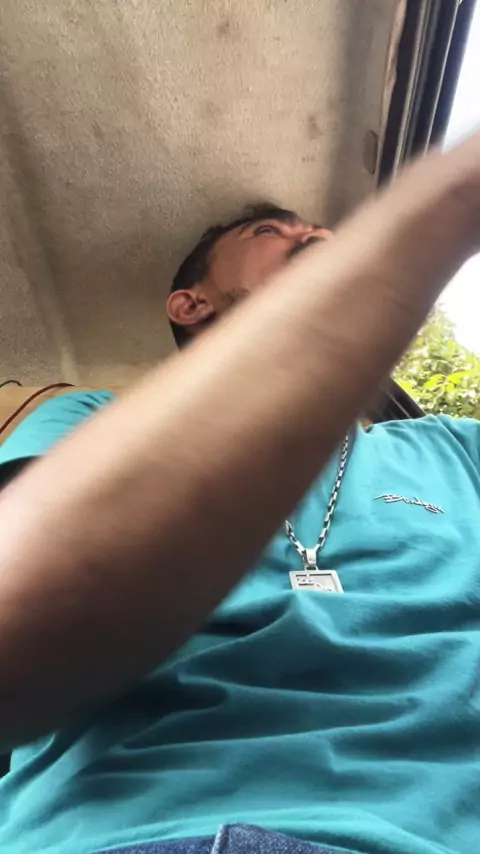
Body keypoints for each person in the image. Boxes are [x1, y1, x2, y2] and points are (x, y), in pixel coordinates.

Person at [0, 133, 479, 854]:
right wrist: (450, 200)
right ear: (190, 304)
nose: (316, 236)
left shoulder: (456, 448)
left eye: (322, 231)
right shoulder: (92, 422)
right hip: (148, 836)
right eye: (271, 233)